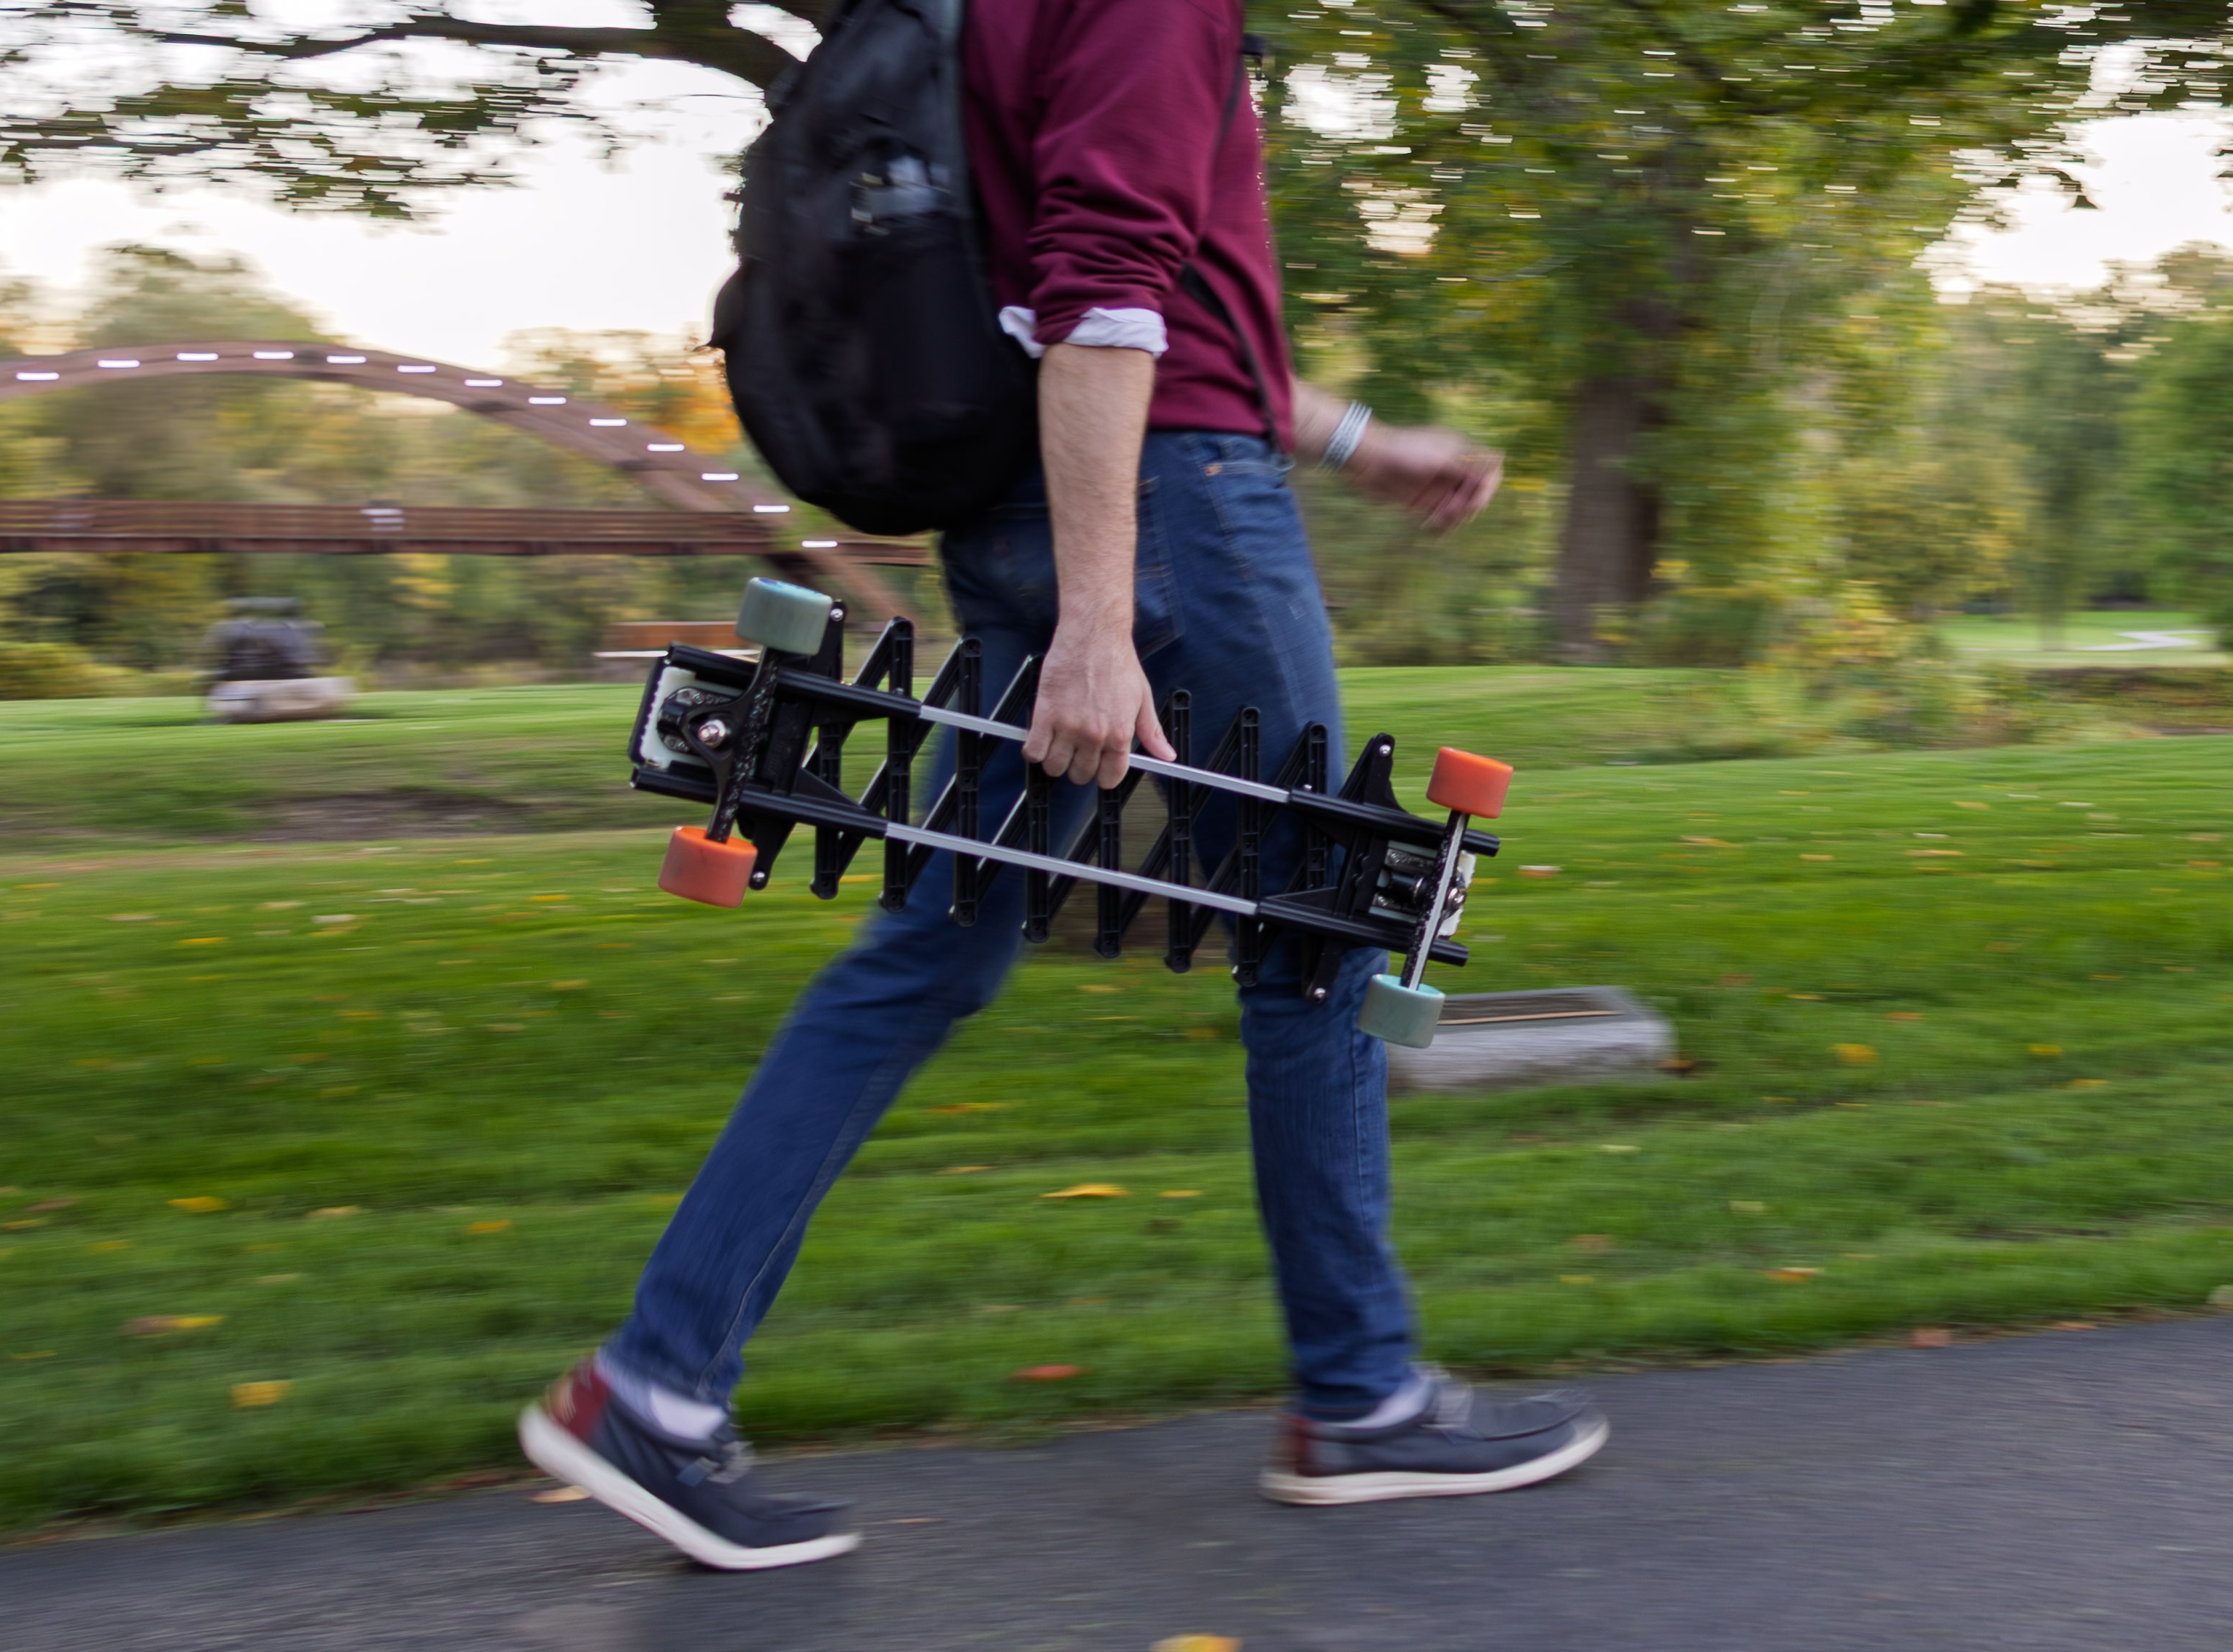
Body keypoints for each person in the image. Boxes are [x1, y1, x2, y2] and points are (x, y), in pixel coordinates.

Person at [518, 0, 1609, 1571]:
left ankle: (654, 1386)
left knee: (939, 941)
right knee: (1318, 935)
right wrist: (1100, 630)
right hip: (1167, 522)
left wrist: (1357, 438)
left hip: (1057, 498)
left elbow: (1104, 303)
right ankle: (1361, 1395)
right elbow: (1102, 310)